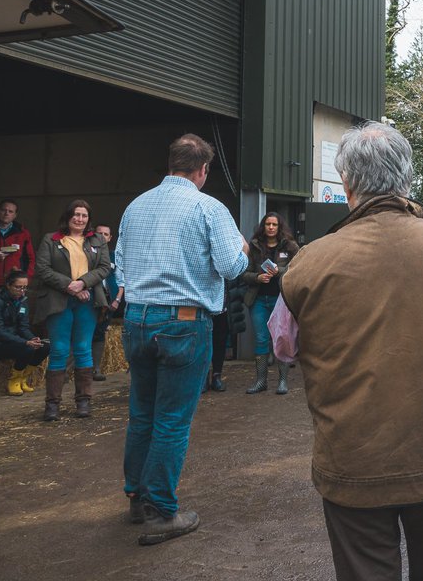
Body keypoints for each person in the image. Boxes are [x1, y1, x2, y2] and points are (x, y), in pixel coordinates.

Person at [275, 121, 423, 581]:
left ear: (348, 183)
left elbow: (284, 347)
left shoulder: (308, 263)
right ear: (406, 178)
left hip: (352, 459)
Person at [115, 134, 249, 546]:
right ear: (203, 170)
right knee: (172, 419)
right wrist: (243, 249)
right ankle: (161, 510)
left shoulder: (136, 206)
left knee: (142, 413)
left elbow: (120, 264)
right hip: (183, 321)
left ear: (171, 162)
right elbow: (230, 267)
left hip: (137, 317)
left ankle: (137, 497)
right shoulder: (208, 207)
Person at [34, 199, 113, 420]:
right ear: (68, 216)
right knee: (59, 349)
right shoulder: (51, 239)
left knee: (82, 349)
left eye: (84, 216)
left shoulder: (96, 239)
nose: (80, 219)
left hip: (87, 300)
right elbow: (42, 269)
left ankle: (84, 402)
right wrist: (69, 285)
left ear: (89, 219)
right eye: (76, 215)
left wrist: (83, 283)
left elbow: (104, 267)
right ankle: (52, 405)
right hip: (59, 300)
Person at [240, 212, 299, 395]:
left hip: (281, 300)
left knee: (281, 338)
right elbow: (244, 273)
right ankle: (261, 381)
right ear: (263, 226)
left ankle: (282, 381)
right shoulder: (255, 246)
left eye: (274, 224)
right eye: (268, 224)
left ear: (279, 227)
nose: (271, 228)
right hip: (258, 299)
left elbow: (298, 269)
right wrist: (258, 277)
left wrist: (278, 271)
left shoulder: (290, 246)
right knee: (261, 339)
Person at [0, 269, 50, 395]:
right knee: (27, 348)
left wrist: (33, 339)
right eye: (18, 287)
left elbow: (23, 327)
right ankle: (13, 379)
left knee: (45, 346)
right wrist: (25, 342)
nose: (22, 291)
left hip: (11, 339)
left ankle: (23, 377)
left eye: (25, 287)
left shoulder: (22, 302)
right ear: (8, 285)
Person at [90, 223, 124, 382]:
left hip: (109, 300)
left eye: (106, 234)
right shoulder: (87, 252)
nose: (102, 236)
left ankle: (96, 369)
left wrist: (117, 299)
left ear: (110, 238)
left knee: (99, 333)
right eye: (99, 233)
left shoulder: (115, 256)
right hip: (89, 298)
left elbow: (122, 280)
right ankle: (75, 370)